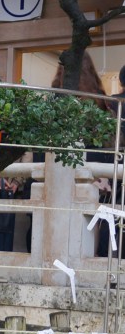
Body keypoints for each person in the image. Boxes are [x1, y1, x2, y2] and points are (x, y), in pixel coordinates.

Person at [52, 53, 115, 257]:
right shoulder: (101, 101)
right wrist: (104, 176)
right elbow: (108, 143)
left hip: (58, 177)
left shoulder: (54, 99)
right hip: (94, 178)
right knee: (88, 234)